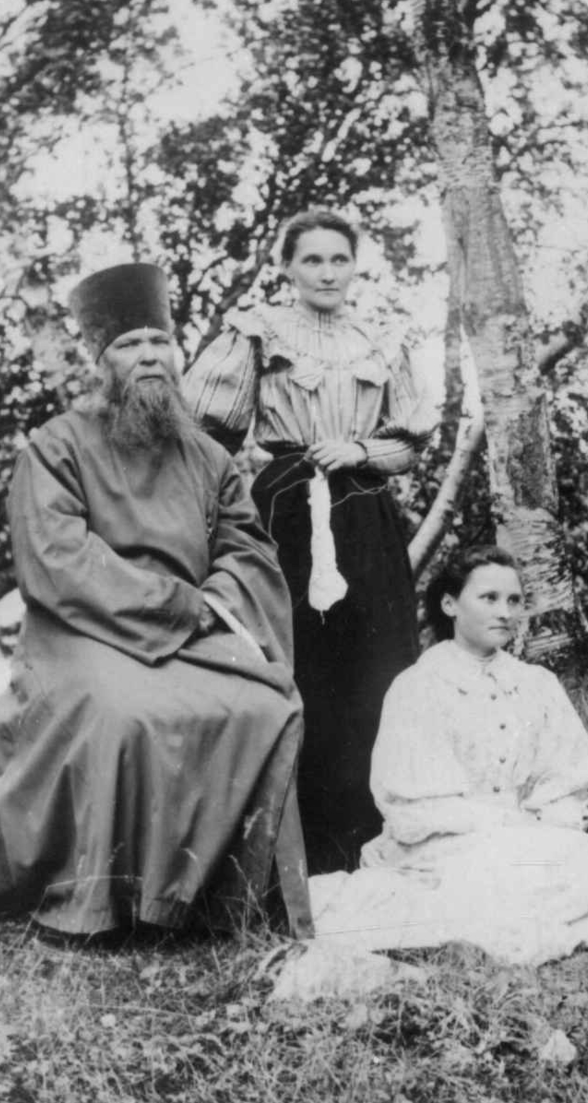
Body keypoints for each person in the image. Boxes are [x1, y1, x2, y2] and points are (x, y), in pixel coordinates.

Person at [0, 263, 311, 938]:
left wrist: (211, 604)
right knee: (124, 711)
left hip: (197, 627)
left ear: (178, 355)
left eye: (159, 343)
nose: (149, 356)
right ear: (101, 361)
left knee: (267, 703)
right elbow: (57, 558)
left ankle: (217, 900)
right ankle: (106, 903)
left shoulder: (209, 458)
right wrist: (174, 603)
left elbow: (248, 552)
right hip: (82, 631)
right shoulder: (53, 446)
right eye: (130, 345)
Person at [183, 210, 434, 873]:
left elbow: (409, 443)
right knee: (299, 662)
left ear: (355, 266)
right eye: (312, 260)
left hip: (365, 514)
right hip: (285, 511)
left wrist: (358, 447)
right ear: (287, 267)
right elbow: (210, 435)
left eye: (339, 259)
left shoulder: (383, 337)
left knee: (377, 665)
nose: (327, 272)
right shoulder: (256, 333)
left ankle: (371, 835)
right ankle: (293, 848)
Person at [306, 545, 588, 965]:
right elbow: (413, 808)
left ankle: (477, 933)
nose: (505, 612)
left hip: (526, 835)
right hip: (441, 844)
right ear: (450, 604)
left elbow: (568, 780)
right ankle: (483, 935)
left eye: (514, 600)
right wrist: (503, 827)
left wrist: (542, 825)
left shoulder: (536, 683)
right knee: (495, 879)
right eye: (489, 598)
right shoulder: (419, 686)